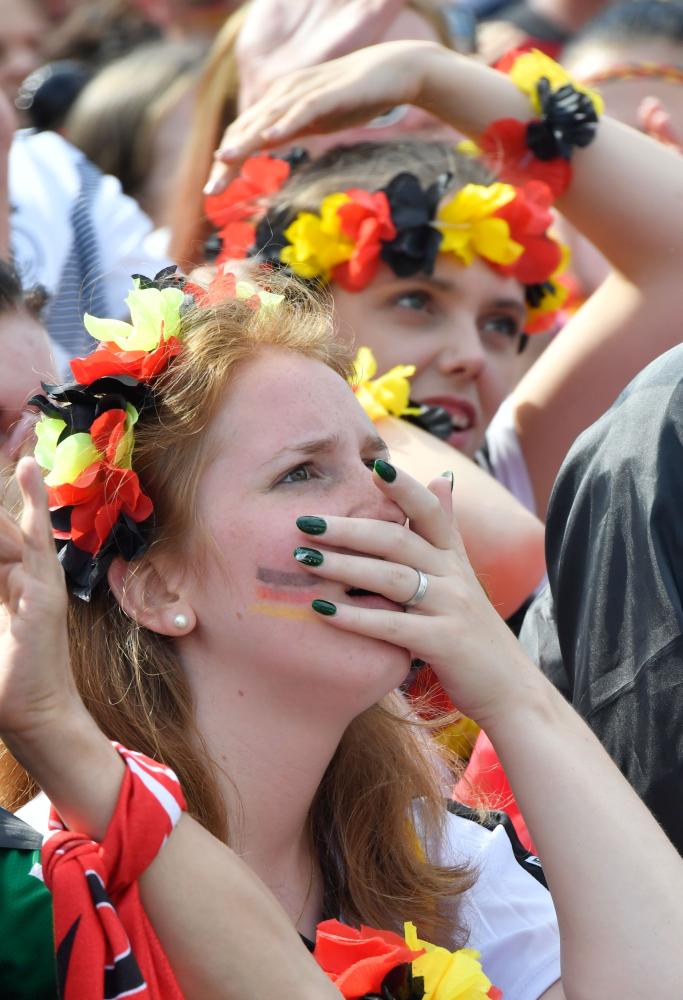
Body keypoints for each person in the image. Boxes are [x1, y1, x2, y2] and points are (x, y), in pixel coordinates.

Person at [0, 267, 681, 999]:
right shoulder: (41, 891)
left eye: (375, 460)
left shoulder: (437, 854)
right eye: (302, 473)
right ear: (157, 586)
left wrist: (515, 692)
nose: (383, 503)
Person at [207, 39, 683, 522]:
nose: (470, 357)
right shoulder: (205, 474)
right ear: (285, 309)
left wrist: (431, 72)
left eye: (499, 325)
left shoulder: (519, 469)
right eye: (416, 302)